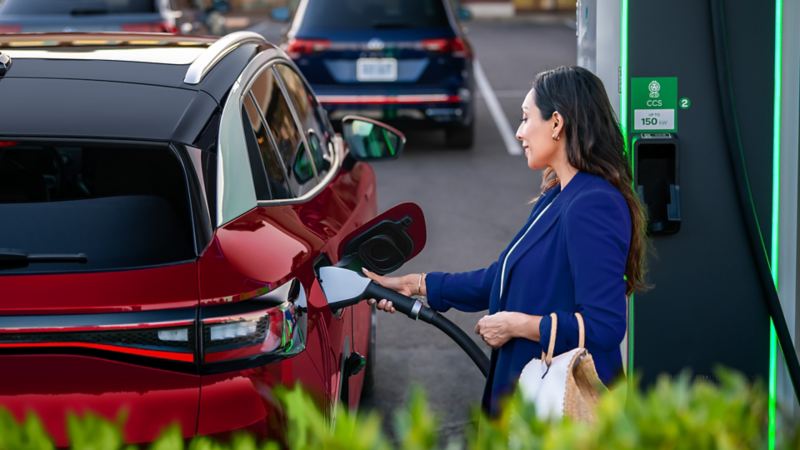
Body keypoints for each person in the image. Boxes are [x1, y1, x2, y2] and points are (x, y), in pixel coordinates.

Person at [363, 65, 649, 415]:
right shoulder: (559, 195)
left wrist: (520, 325)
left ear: (557, 124)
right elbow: (501, 278)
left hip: (563, 411)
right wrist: (416, 284)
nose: (518, 132)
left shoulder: (593, 203)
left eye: (527, 118)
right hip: (537, 400)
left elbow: (604, 326)